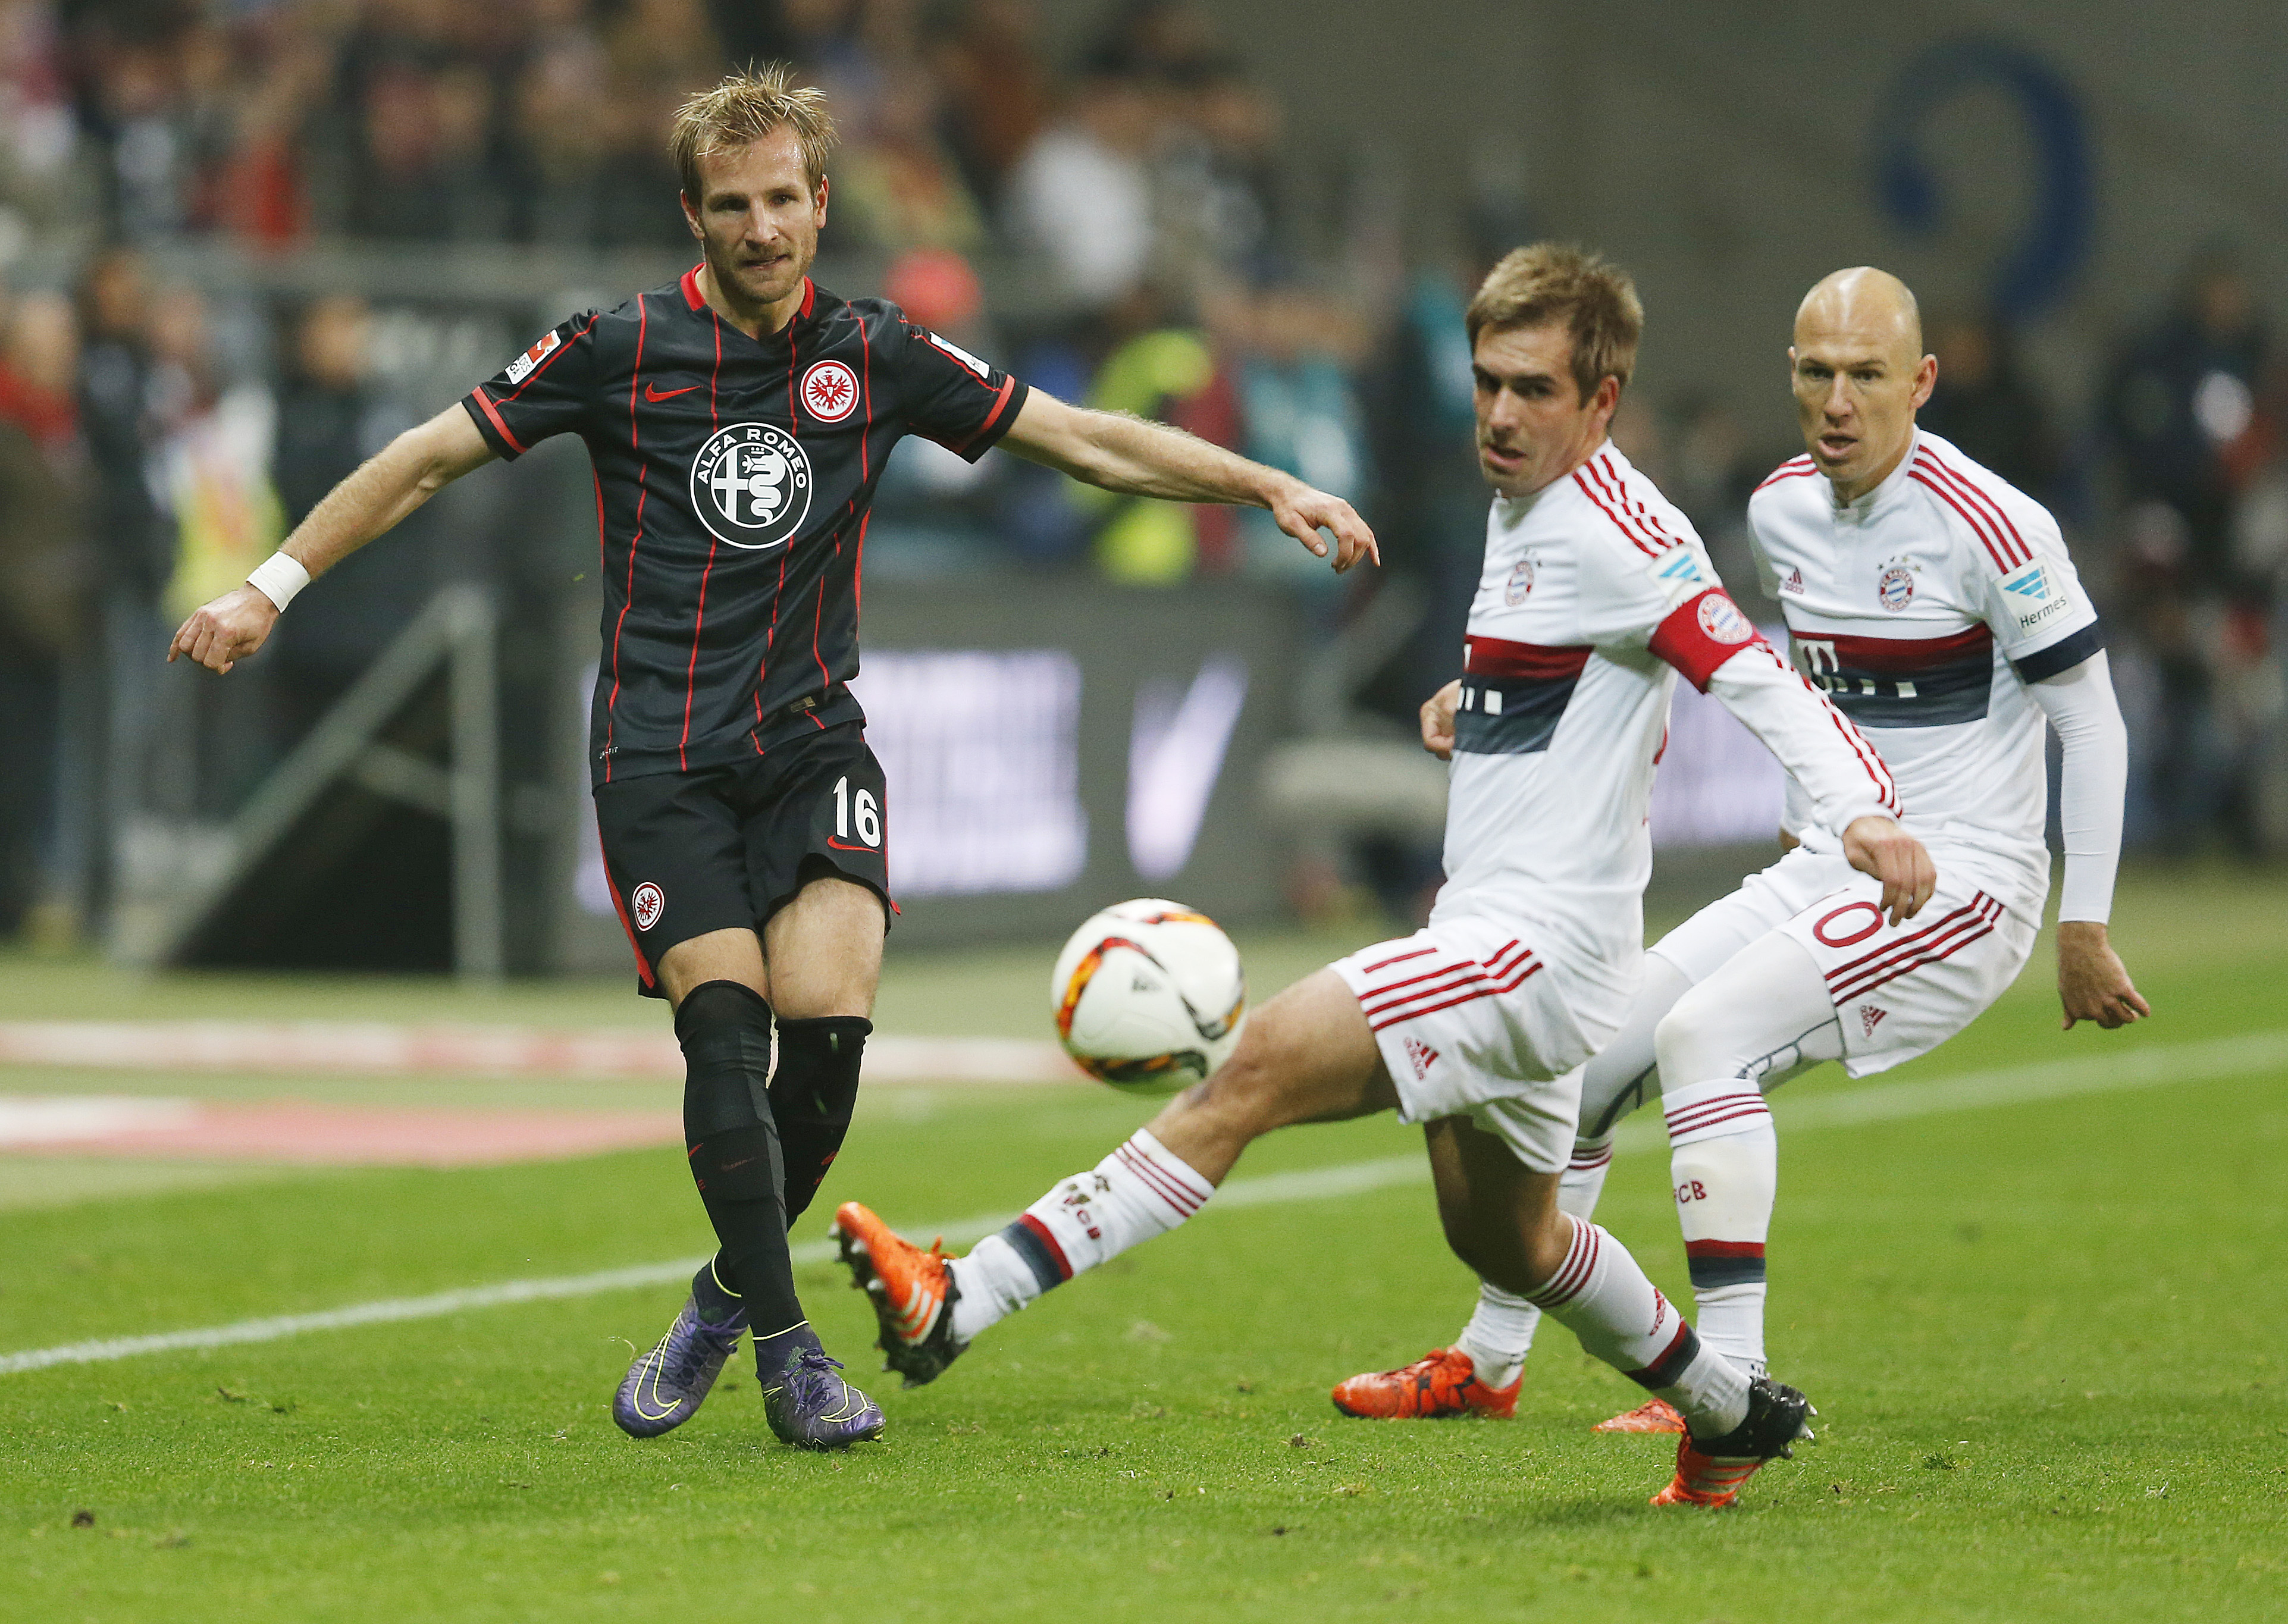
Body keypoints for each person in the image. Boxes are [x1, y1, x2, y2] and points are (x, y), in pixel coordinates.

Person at [166, 66, 1374, 1454]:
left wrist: (1266, 481)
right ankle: (787, 1349)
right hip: (659, 758)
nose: (761, 228)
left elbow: (1085, 439)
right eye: (732, 205)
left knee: (827, 1044)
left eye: (784, 199)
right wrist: (270, 583)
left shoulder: (878, 352)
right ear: (693, 214)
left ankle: (713, 1302)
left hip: (810, 745)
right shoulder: (615, 347)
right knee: (727, 1031)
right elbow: (431, 456)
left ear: (819, 202)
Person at [833, 244, 1935, 1509]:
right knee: (1510, 1241)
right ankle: (1728, 1411)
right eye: (1487, 385)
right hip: (1519, 940)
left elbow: (1749, 671)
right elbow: (1594, 670)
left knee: (1249, 1070)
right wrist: (1494, 700)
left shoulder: (1621, 529)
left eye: (1534, 389)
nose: (1503, 416)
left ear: (1604, 398)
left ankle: (959, 1298)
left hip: (1532, 953)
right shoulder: (1528, 509)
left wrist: (1863, 814)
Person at [1331, 267, 2144, 1446]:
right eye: (1816, 372)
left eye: (1867, 375)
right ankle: (1492, 1358)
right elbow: (1725, 659)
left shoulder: (1995, 525)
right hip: (1833, 864)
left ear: (1921, 381)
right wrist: (1497, 691)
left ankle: (1732, 1383)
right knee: (1595, 1055)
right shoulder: (1779, 510)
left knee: (1707, 1040)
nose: (1838, 400)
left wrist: (2086, 921)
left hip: (1966, 880)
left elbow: (2092, 717)